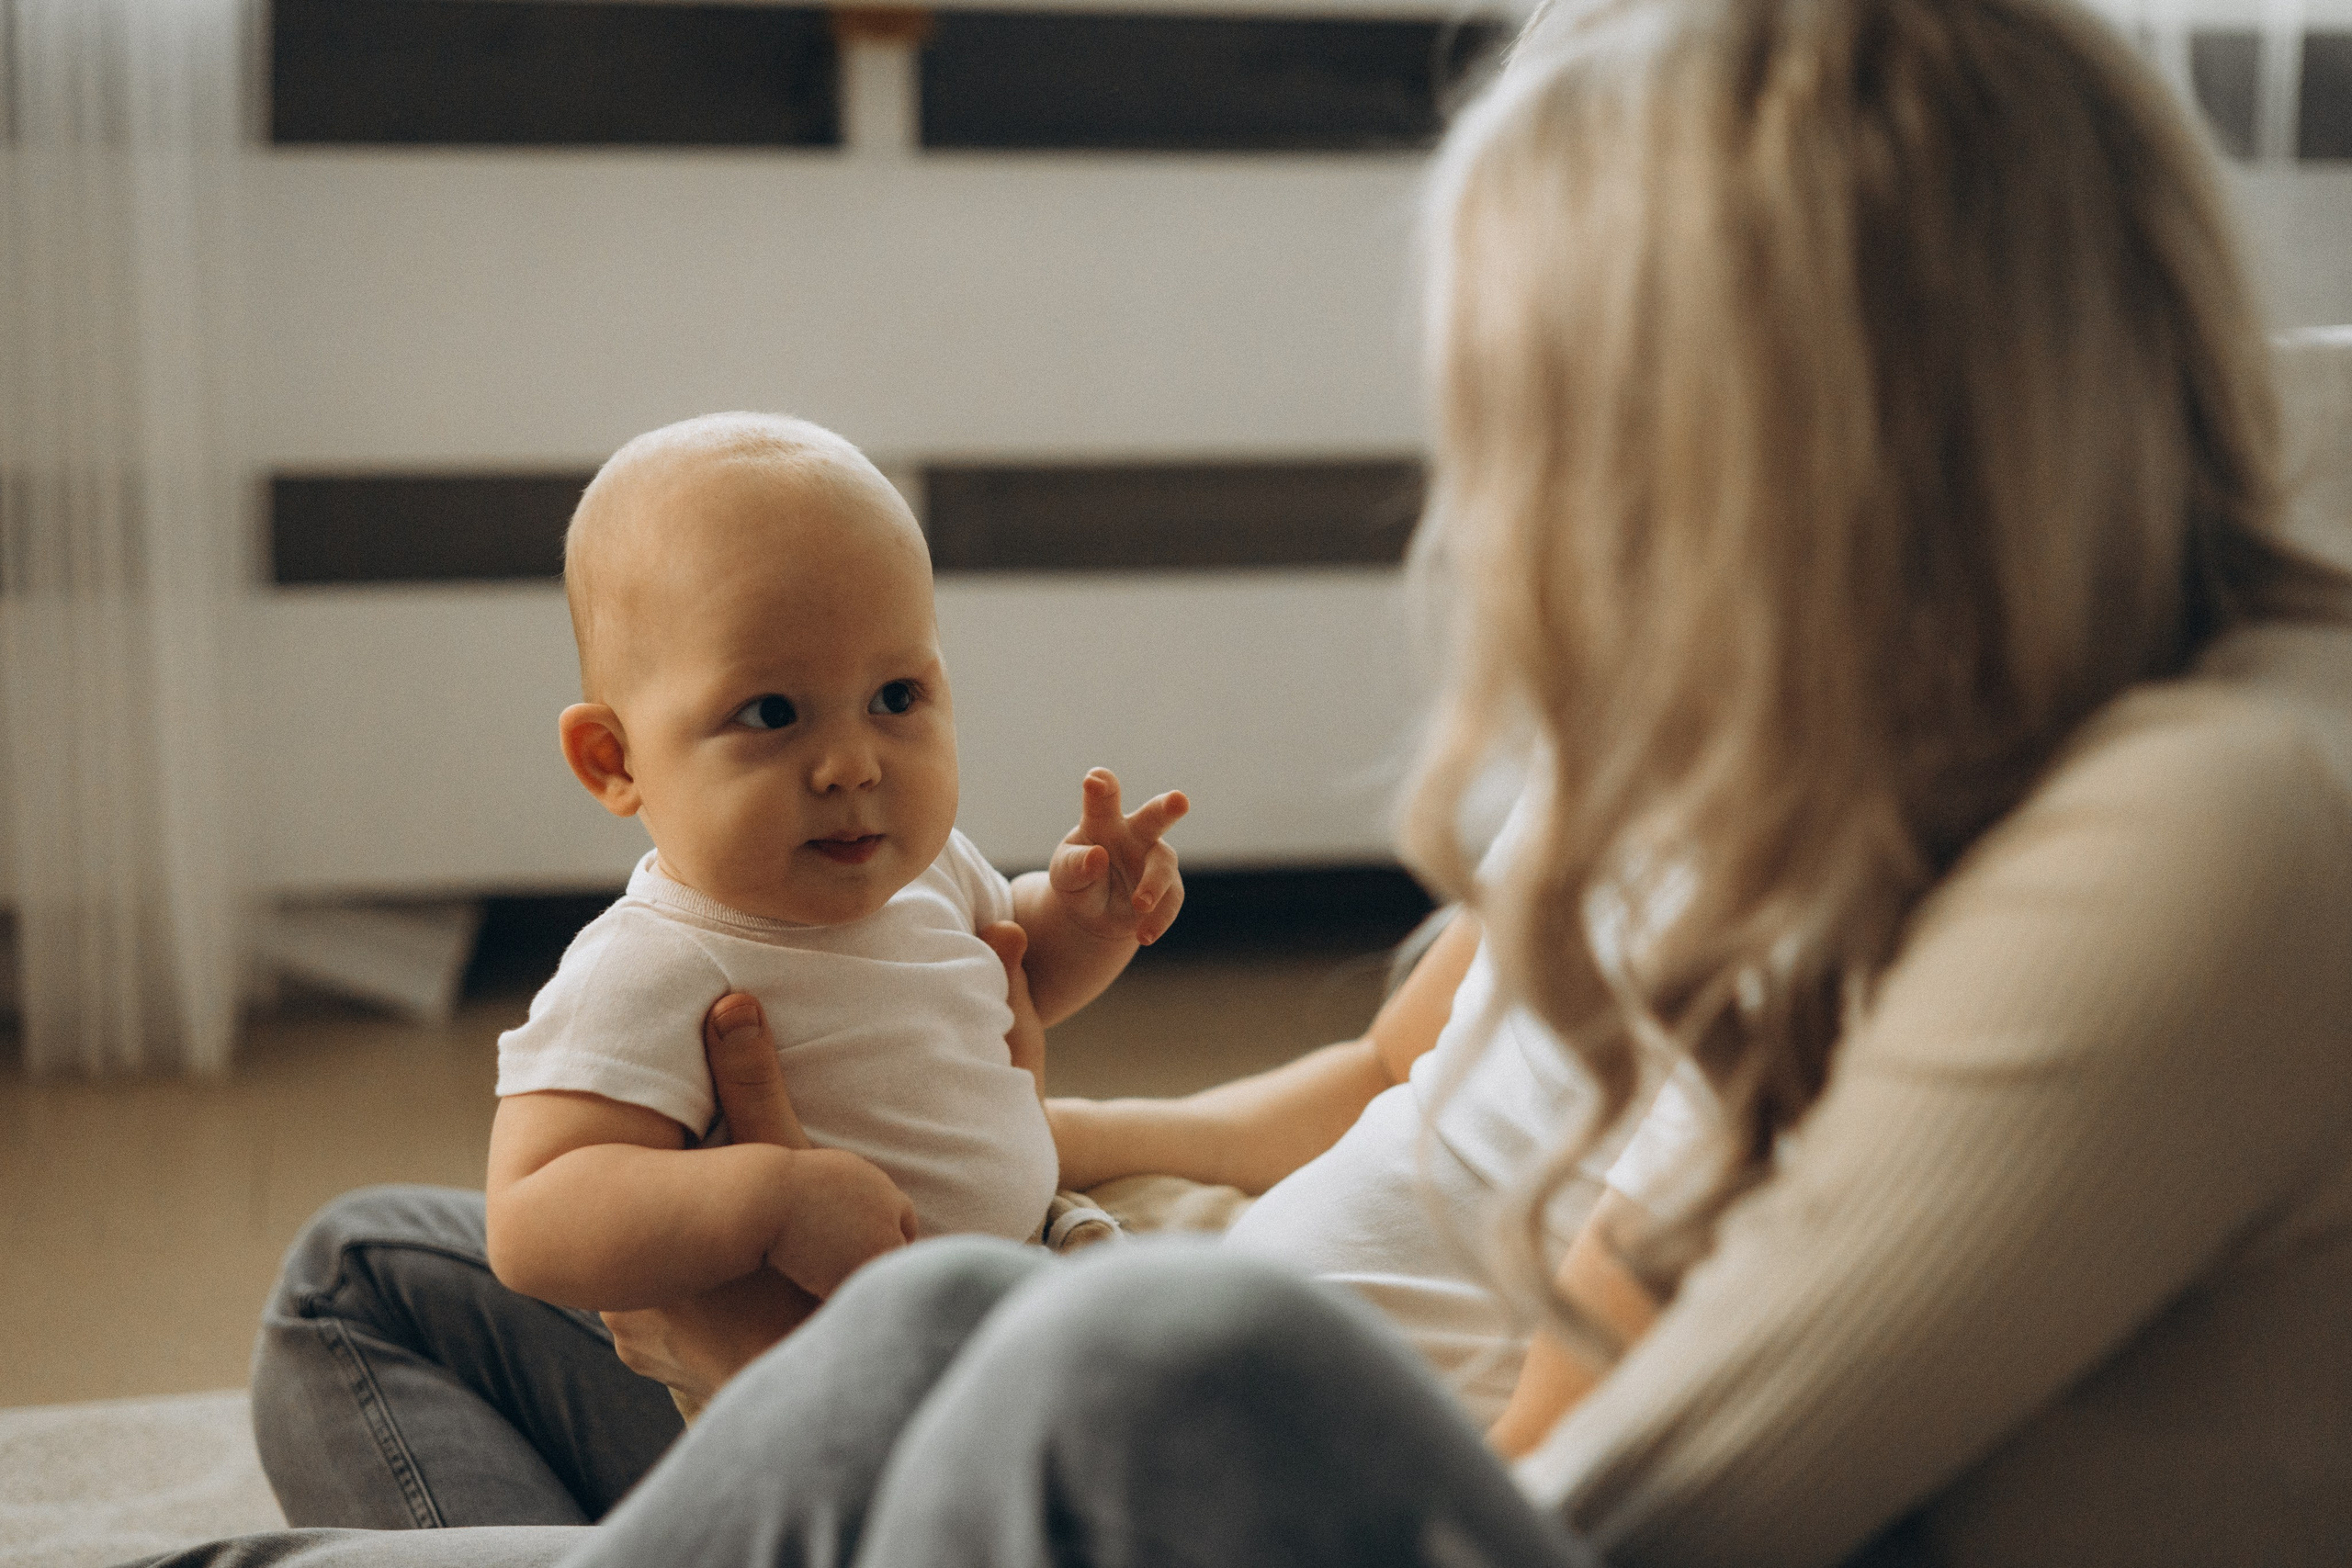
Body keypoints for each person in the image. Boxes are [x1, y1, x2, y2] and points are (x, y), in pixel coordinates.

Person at [162, 0, 2352, 1564]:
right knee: (377, 1275)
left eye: (1560, 431)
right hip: (1131, 1322)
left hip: (1188, 1461)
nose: (1511, 524)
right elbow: (1380, 1097)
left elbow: (1585, 1513)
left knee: (1076, 1349)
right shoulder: (1775, 745)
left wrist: (775, 1370)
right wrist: (1010, 1151)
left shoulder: (2206, 830)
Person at [488, 414, 1187, 1404]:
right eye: (771, 713)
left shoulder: (928, 868)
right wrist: (768, 1203)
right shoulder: (654, 963)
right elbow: (530, 1215)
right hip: (839, 1371)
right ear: (615, 760)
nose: (853, 765)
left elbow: (1018, 984)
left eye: (895, 696)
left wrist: (1089, 919)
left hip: (1036, 1261)